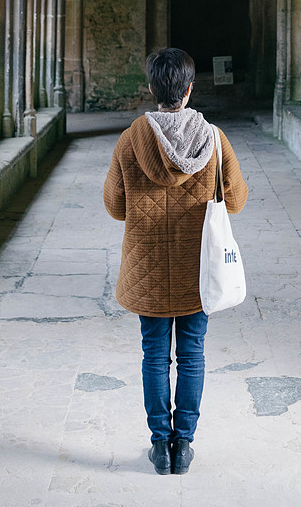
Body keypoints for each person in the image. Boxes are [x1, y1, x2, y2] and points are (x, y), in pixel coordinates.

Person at [103, 47, 248, 476]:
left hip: (148, 271)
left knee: (153, 356)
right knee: (192, 354)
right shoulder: (214, 138)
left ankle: (158, 445)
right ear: (188, 89)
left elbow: (114, 206)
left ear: (152, 88)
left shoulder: (132, 138)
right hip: (197, 272)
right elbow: (236, 201)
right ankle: (183, 444)